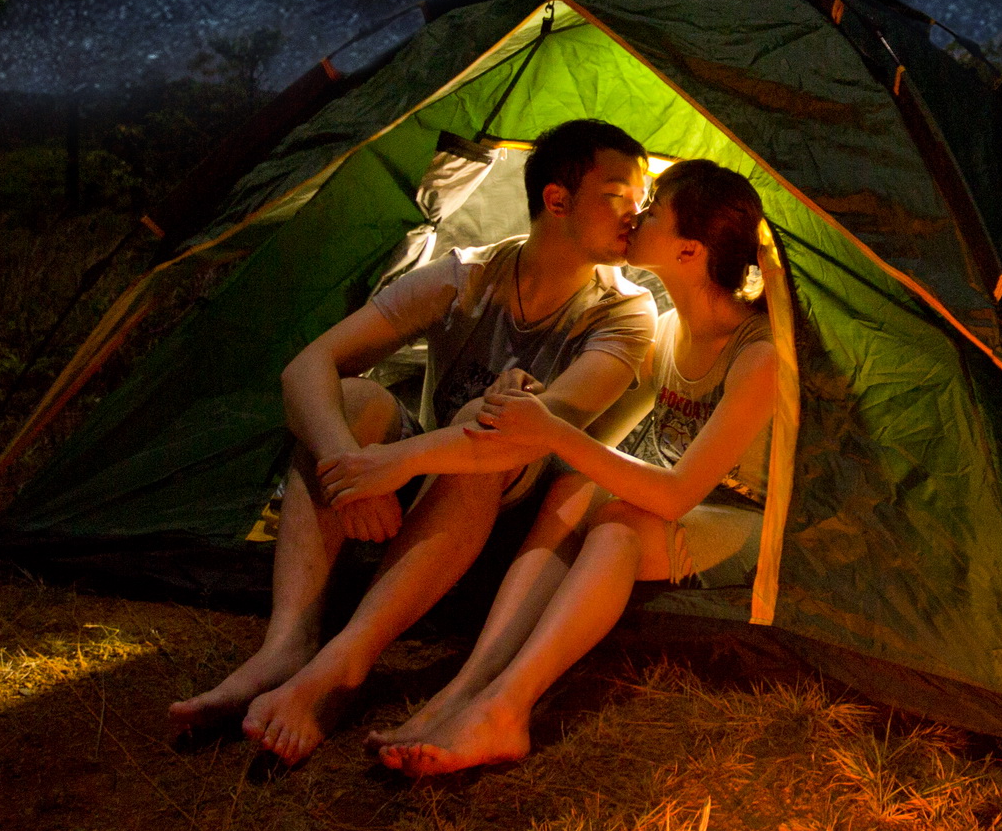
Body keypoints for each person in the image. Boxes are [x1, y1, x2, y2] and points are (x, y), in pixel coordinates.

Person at [167, 117, 659, 763]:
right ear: (557, 200)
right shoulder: (469, 275)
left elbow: (536, 431)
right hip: (419, 485)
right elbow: (305, 370)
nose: (637, 215)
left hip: (508, 519)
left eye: (644, 200)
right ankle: (287, 642)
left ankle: (345, 664)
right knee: (354, 401)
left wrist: (391, 466)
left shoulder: (624, 312)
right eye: (620, 196)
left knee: (493, 422)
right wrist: (350, 462)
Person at [371, 158, 788, 776]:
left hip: (742, 520)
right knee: (574, 487)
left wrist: (554, 431)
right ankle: (464, 691)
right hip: (679, 505)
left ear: (690, 251)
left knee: (619, 524)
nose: (634, 218)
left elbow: (675, 496)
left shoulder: (757, 357)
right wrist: (529, 404)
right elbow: (589, 442)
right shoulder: (670, 329)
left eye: (652, 211)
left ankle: (506, 711)